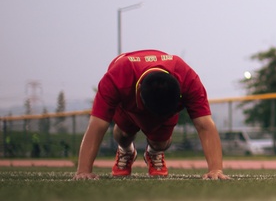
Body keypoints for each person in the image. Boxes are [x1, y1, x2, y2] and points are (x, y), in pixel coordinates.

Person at [73, 50, 228, 180]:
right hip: (128, 107)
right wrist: (83, 170)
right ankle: (126, 150)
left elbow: (205, 124)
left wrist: (216, 169)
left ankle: (154, 152)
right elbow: (97, 125)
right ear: (138, 90)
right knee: (124, 134)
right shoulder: (117, 77)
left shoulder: (188, 79)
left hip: (157, 105)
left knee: (160, 142)